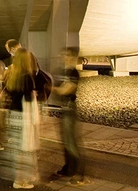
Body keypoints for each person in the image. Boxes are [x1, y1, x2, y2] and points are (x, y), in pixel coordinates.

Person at [2, 48, 39, 190]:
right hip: (24, 117)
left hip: (13, 115)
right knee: (25, 149)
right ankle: (20, 180)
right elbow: (29, 100)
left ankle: (18, 178)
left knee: (17, 149)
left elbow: (11, 95)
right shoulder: (27, 77)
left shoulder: (13, 76)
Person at [51, 47, 85, 185]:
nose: (62, 56)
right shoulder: (61, 71)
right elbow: (58, 89)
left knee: (71, 144)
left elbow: (65, 90)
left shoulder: (74, 73)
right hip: (63, 110)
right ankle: (68, 169)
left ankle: (79, 173)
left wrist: (51, 88)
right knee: (65, 142)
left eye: (65, 55)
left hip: (70, 111)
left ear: (72, 57)